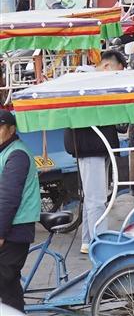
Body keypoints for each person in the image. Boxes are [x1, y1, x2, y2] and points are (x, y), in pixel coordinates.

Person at [64, 51, 126, 254]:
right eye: (117, 73)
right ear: (107, 66)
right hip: (90, 146)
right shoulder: (86, 82)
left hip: (97, 145)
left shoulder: (92, 81)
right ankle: (100, 244)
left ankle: (88, 240)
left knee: (93, 197)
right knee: (97, 199)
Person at [0, 110, 41, 312]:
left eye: (0, 127)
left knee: (5, 281)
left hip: (15, 229)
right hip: (10, 227)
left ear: (11, 129)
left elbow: (8, 198)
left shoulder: (16, 154)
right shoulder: (5, 151)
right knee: (8, 284)